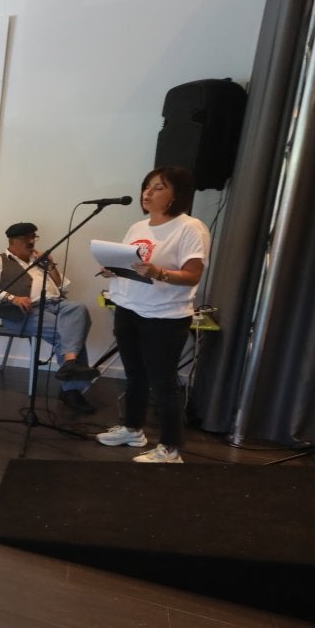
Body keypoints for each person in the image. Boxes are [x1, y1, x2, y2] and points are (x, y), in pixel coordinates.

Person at [96, 166, 211, 464]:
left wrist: (159, 272)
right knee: (134, 375)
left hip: (164, 316)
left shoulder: (190, 228)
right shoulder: (138, 227)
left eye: (159, 187)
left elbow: (192, 276)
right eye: (147, 185)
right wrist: (114, 269)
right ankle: (133, 429)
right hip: (127, 307)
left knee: (163, 382)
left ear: (178, 194)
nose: (148, 192)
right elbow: (132, 265)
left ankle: (171, 449)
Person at [0, 222, 99, 414]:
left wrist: (51, 266)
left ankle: (70, 365)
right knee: (67, 332)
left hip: (55, 304)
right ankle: (71, 389)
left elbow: (62, 287)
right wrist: (12, 297)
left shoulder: (40, 260)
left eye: (34, 237)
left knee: (79, 309)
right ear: (12, 241)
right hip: (23, 312)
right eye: (26, 238)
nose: (32, 241)